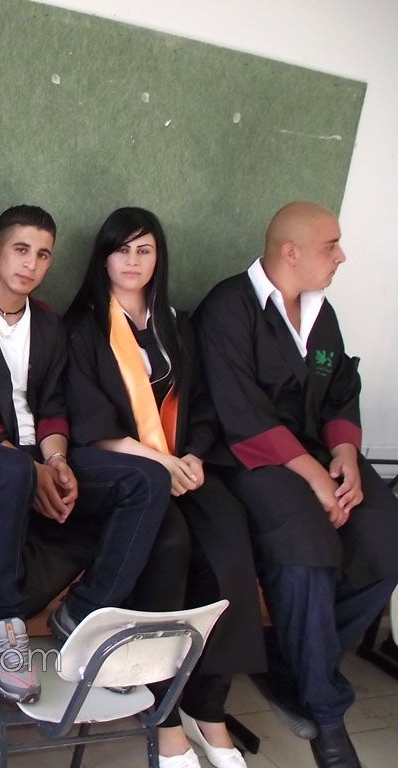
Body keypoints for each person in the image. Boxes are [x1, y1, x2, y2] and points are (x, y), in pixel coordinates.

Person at [0, 204, 175, 705]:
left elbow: (54, 406)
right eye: (21, 249)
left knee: (148, 480)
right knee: (9, 470)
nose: (31, 264)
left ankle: (85, 614)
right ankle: (1, 626)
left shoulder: (49, 324)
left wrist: (56, 463)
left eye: (44, 255)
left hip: (41, 453)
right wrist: (30, 469)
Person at [193, 202, 398, 768]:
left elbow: (340, 387)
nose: (341, 257)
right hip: (249, 459)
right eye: (331, 246)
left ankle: (292, 661)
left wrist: (345, 452)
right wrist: (311, 476)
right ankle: (326, 715)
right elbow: (237, 409)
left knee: (385, 535)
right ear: (291, 252)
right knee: (306, 546)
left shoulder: (319, 311)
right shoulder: (227, 309)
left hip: (316, 452)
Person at [64, 207, 265, 768]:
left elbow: (201, 404)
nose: (132, 260)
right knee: (171, 544)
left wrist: (193, 454)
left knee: (229, 540)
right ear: (103, 257)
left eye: (144, 249)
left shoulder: (175, 325)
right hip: (126, 467)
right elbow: (89, 418)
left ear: (159, 258)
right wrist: (159, 461)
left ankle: (207, 706)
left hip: (181, 463)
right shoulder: (83, 327)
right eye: (122, 249)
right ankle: (161, 711)